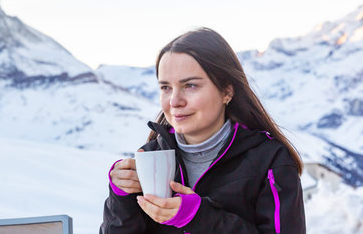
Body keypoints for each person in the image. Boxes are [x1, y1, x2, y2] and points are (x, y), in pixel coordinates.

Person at [100, 28, 306, 233]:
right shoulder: (150, 157)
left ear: (227, 91)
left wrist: (198, 217)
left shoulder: (270, 160)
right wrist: (121, 198)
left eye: (190, 85)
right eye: (165, 88)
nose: (174, 101)